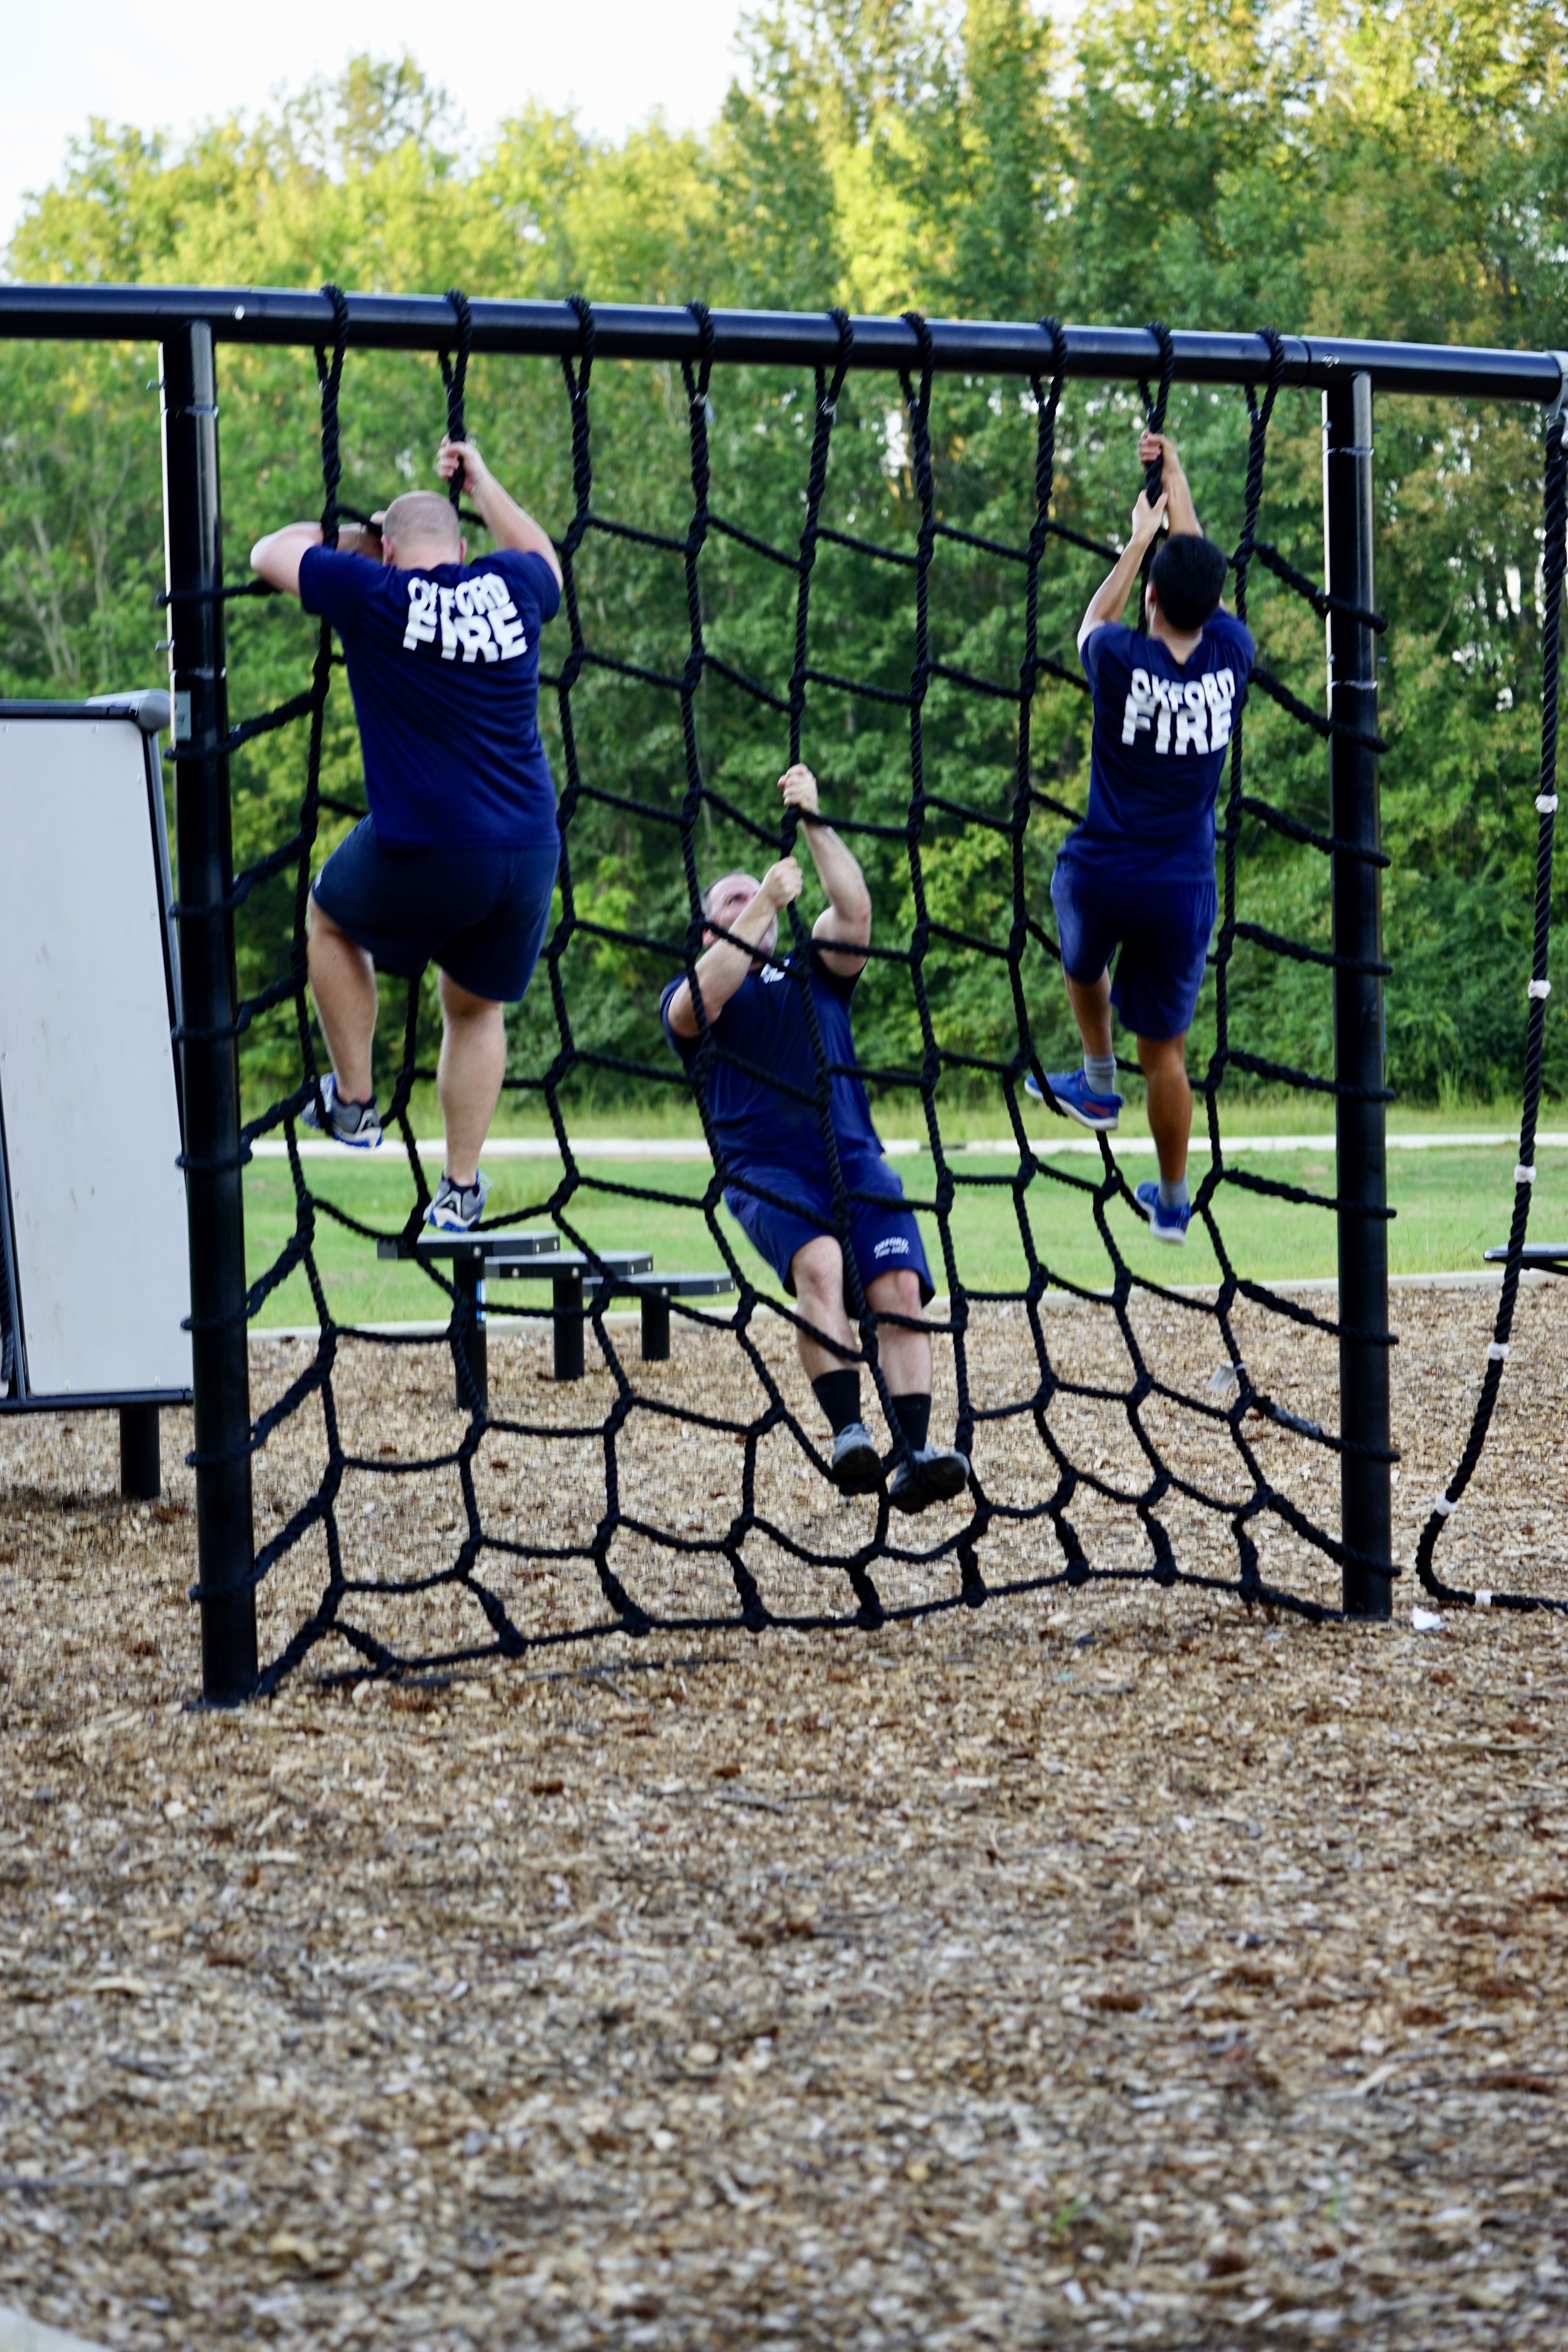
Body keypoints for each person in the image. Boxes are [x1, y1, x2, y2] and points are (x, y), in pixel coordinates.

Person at [250, 437, 563, 1231]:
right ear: (462, 550)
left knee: (328, 915)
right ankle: (459, 1187)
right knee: (474, 1004)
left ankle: (355, 1103)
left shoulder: (371, 591)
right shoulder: (510, 586)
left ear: (388, 551)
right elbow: (543, 556)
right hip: (527, 850)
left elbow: (270, 552)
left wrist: (357, 544)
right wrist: (484, 481)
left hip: (428, 840)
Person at [660, 766, 969, 1512]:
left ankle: (916, 1449)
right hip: (767, 1171)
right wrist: (761, 899)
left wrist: (813, 820)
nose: (748, 900)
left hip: (855, 1160)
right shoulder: (698, 991)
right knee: (822, 1267)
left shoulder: (814, 970)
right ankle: (849, 1433)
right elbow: (695, 1004)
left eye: (752, 893)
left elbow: (854, 909)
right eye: (728, 899)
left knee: (898, 1289)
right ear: (710, 928)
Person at [1030, 428, 1254, 1244]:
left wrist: (1135, 542)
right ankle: (1170, 1197)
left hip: (1104, 872)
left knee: (1080, 956)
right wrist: (1180, 476)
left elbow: (1095, 617)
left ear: (1153, 600)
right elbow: (1201, 570)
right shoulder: (1233, 652)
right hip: (1183, 887)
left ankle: (1095, 1080)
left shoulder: (1121, 658)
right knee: (1167, 1056)